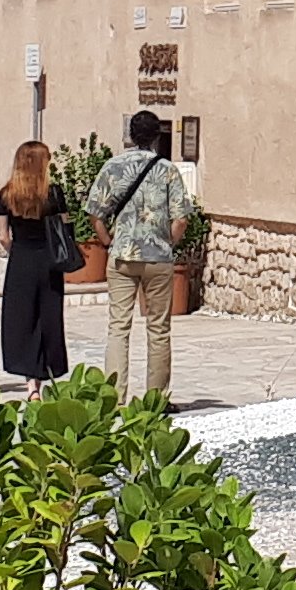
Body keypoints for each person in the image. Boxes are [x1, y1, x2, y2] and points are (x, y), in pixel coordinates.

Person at [88, 108, 193, 402]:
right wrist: (168, 242)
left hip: (122, 256)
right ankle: (156, 399)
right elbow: (181, 218)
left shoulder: (113, 167)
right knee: (158, 329)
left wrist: (108, 241)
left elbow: (95, 214)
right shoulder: (168, 170)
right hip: (157, 256)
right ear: (157, 136)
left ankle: (115, 398)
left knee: (118, 327)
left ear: (130, 135)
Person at [0, 138, 75, 384]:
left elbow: (2, 235)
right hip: (48, 260)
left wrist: (15, 251)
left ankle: (31, 382)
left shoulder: (6, 195)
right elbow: (66, 228)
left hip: (21, 260)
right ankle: (46, 370)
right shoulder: (53, 193)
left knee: (22, 319)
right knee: (49, 317)